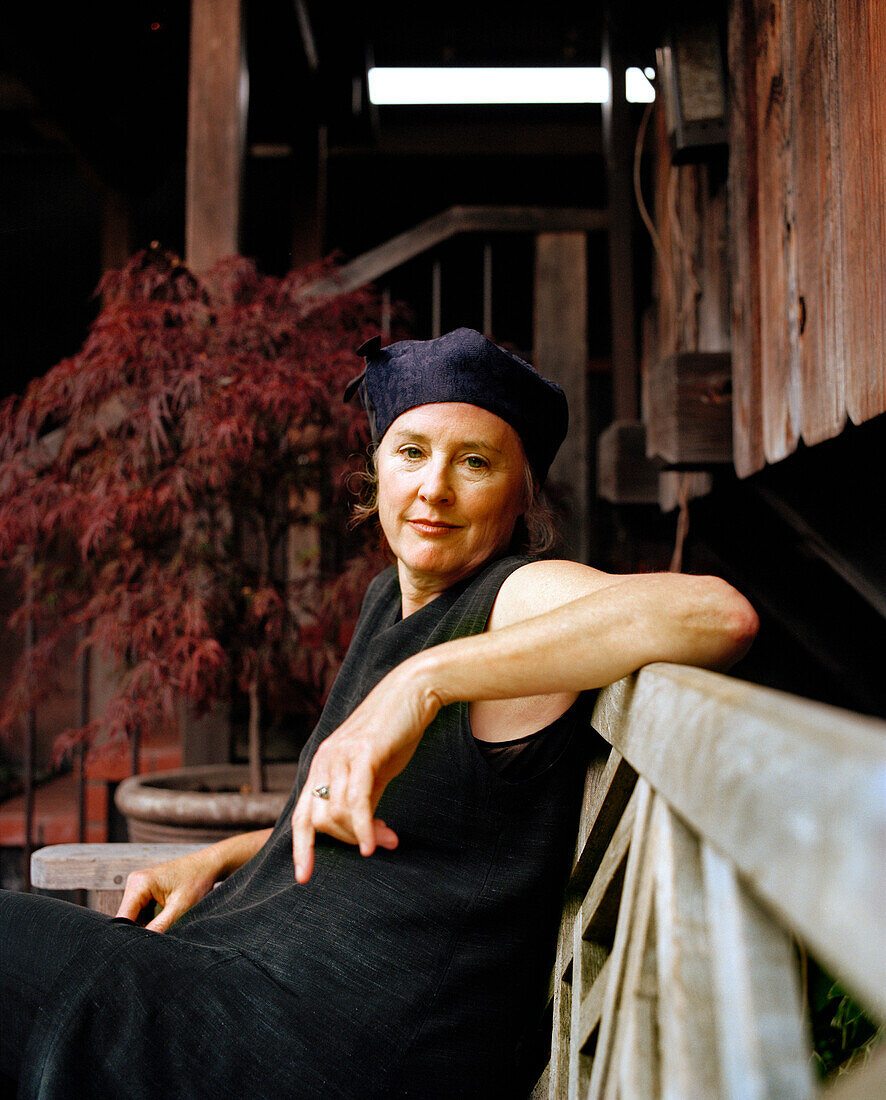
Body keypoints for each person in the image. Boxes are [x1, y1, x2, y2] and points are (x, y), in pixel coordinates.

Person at [0, 328, 757, 1098]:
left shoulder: (515, 597)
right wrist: (224, 856)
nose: (434, 487)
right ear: (376, 475)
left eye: (476, 462)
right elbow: (407, 823)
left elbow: (715, 614)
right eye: (412, 453)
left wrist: (420, 683)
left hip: (327, 1043)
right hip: (253, 988)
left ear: (521, 495)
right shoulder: (386, 603)